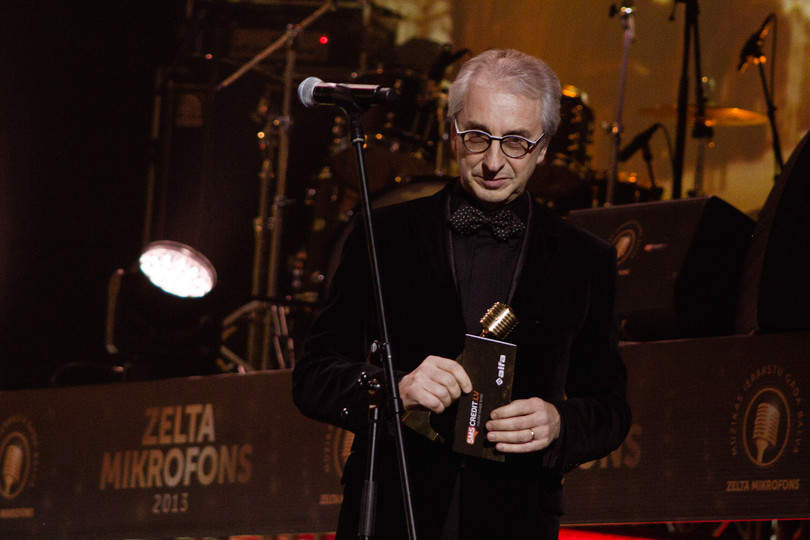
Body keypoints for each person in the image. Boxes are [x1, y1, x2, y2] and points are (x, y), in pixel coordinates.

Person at [292, 48, 631, 539]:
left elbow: (610, 408)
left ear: (543, 148)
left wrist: (559, 422)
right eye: (477, 137)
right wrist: (394, 389)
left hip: (515, 522)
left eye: (516, 142)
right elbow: (313, 376)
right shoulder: (383, 235)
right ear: (452, 134)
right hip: (391, 513)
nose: (493, 162)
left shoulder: (586, 260)